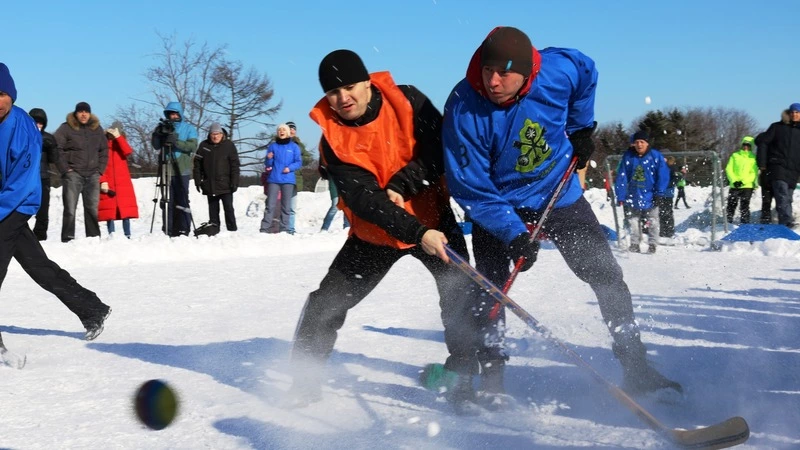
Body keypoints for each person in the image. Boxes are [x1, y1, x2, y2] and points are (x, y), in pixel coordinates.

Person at [441, 27, 680, 397]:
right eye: (488, 69)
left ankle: (636, 367)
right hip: (499, 205)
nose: (492, 80)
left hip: (558, 193)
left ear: (528, 73)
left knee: (605, 275)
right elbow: (470, 186)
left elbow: (587, 72)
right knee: (491, 290)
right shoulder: (464, 106)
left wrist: (581, 126)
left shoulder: (558, 70)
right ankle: (491, 378)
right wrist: (512, 231)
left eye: (504, 73)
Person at [290, 49, 488, 414]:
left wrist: (404, 183)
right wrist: (417, 232)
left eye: (349, 86)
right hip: (376, 234)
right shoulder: (332, 138)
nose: (342, 98)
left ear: (367, 81)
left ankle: (463, 377)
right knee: (324, 304)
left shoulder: (408, 100)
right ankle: (303, 380)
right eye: (333, 93)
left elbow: (438, 149)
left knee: (460, 297)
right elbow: (365, 201)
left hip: (433, 219)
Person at [0, 62, 111, 341]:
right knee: (38, 265)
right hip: (4, 203)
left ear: (12, 96)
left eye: (1, 94)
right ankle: (92, 308)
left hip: (17, 204)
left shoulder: (23, 128)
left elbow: (21, 183)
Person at [53, 101, 108, 243]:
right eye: (80, 111)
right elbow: (56, 148)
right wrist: (65, 169)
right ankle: (68, 238)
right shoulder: (66, 128)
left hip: (93, 174)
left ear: (90, 114)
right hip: (73, 174)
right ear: (76, 113)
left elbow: (104, 150)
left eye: (86, 112)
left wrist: (100, 169)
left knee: (92, 209)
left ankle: (94, 237)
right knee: (70, 209)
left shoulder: (97, 129)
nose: (83, 114)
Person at [615, 131, 670, 253]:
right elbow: (622, 176)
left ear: (647, 143)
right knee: (633, 220)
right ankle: (634, 243)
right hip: (633, 194)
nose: (639, 145)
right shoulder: (629, 157)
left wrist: (659, 193)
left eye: (642, 142)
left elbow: (663, 175)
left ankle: (652, 244)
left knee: (652, 220)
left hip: (650, 194)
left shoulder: (655, 156)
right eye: (637, 142)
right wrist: (621, 194)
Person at [151, 102, 198, 236]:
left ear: (180, 114)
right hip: (166, 169)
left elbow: (192, 146)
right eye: (171, 113)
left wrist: (176, 142)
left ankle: (184, 228)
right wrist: (157, 135)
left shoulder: (188, 128)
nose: (173, 116)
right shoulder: (163, 127)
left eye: (176, 113)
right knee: (167, 200)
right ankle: (169, 229)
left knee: (182, 199)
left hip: (182, 169)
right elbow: (156, 146)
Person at [756, 103, 800, 228]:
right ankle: (786, 222)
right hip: (777, 167)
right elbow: (762, 142)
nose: (794, 115)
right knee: (782, 194)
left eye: (797, 112)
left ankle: (784, 223)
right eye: (792, 112)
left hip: (793, 170)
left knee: (788, 198)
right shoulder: (777, 127)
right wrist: (762, 164)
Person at [193, 122, 240, 231]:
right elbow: (197, 165)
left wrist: (235, 181)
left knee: (228, 208)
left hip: (226, 183)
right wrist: (198, 181)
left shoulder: (229, 145)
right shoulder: (203, 146)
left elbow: (235, 165)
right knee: (213, 209)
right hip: (209, 183)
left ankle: (232, 230)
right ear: (209, 135)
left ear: (222, 134)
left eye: (217, 134)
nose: (215, 136)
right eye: (213, 134)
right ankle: (214, 229)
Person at [259, 123, 301, 234]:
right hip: (274, 179)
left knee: (286, 207)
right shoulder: (273, 146)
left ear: (287, 132)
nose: (281, 131)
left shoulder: (294, 147)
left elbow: (298, 162)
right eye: (279, 130)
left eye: (283, 130)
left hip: (288, 180)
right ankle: (264, 229)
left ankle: (285, 229)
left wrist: (289, 168)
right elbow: (268, 164)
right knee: (270, 205)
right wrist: (268, 159)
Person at [99, 121, 138, 238]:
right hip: (109, 182)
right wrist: (102, 180)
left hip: (123, 183)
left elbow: (128, 151)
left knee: (125, 210)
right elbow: (100, 164)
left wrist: (119, 138)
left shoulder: (122, 143)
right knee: (109, 211)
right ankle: (111, 234)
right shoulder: (103, 144)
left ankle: (128, 234)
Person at [28, 108, 58, 241]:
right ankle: (21, 234)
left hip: (43, 176)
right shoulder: (23, 136)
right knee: (22, 207)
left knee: (43, 208)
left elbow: (54, 159)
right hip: (27, 177)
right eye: (35, 122)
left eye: (40, 123)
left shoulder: (49, 138)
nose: (38, 125)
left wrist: (51, 147)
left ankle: (40, 235)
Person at [756, 109, 789, 224]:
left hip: (772, 171)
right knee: (770, 198)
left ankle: (769, 219)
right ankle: (767, 220)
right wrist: (762, 165)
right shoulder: (769, 140)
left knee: (774, 198)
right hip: (769, 172)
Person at [725, 136, 759, 224]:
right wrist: (734, 181)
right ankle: (728, 222)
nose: (746, 147)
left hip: (747, 185)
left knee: (745, 204)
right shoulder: (735, 156)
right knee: (731, 204)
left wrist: (742, 182)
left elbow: (753, 173)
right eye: (744, 144)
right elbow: (729, 169)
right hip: (734, 184)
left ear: (751, 146)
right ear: (742, 145)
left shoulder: (754, 158)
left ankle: (745, 223)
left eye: (748, 145)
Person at [658, 156, 679, 238]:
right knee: (660, 212)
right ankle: (663, 231)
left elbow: (675, 179)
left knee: (667, 212)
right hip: (660, 193)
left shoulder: (671, 168)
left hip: (667, 193)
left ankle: (669, 231)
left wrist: (666, 185)